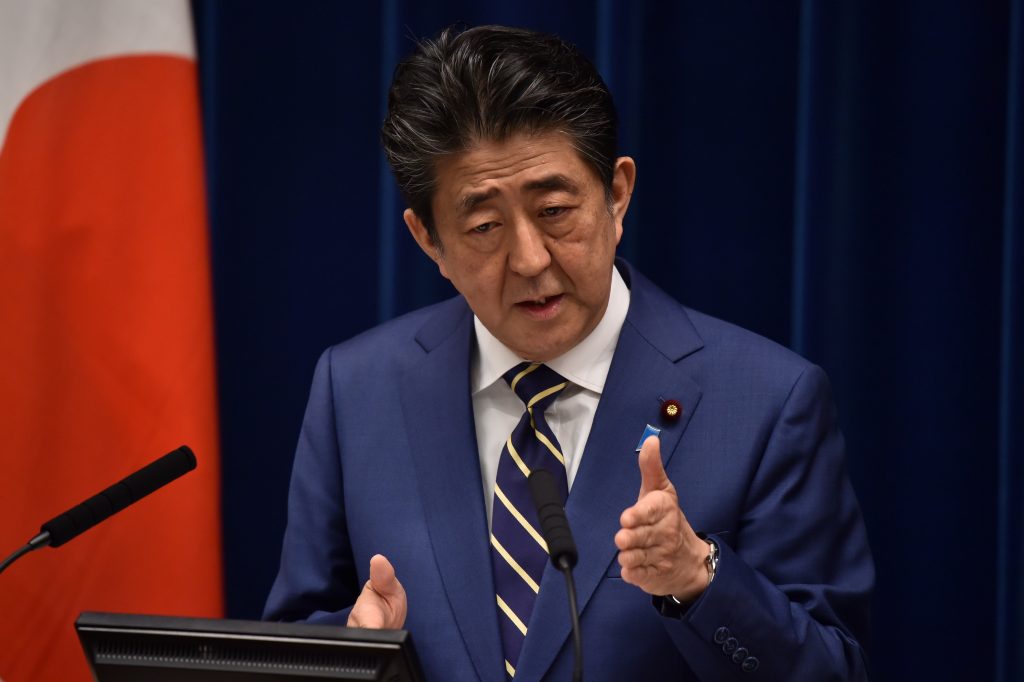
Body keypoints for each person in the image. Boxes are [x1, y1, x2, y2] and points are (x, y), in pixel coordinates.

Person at [264, 24, 873, 681]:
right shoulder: (356, 390)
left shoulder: (766, 401)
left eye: (554, 210)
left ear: (617, 193)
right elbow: (296, 641)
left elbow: (832, 671)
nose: (530, 260)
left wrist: (698, 579)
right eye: (484, 227)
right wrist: (356, 654)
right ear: (428, 239)